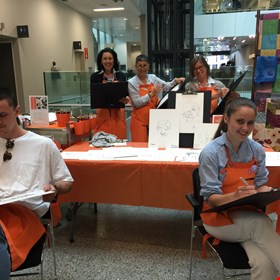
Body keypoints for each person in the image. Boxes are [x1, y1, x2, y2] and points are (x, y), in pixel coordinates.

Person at [199, 97, 280, 280]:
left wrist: (269, 192)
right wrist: (234, 196)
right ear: (226, 119)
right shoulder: (211, 153)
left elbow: (260, 184)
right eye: (240, 121)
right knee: (260, 223)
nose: (245, 128)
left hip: (246, 215)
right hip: (217, 219)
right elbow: (210, 198)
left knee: (263, 262)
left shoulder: (257, 151)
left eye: (250, 123)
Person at [0, 87, 73, 278]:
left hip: (26, 211)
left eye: (2, 115)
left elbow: (66, 181)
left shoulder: (42, 144)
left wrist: (55, 188)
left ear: (17, 111)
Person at [128, 54, 185, 142]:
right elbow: (136, 103)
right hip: (138, 122)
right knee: (140, 149)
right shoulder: (131, 82)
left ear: (148, 66)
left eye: (144, 65)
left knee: (153, 147)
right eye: (139, 65)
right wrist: (151, 94)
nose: (142, 68)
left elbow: (166, 86)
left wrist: (175, 81)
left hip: (154, 120)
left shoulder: (153, 78)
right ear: (136, 67)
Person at [90, 48, 129, 140]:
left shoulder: (121, 75)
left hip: (118, 117)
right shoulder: (95, 77)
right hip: (102, 118)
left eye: (110, 58)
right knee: (102, 145)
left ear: (114, 60)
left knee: (119, 145)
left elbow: (125, 95)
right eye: (105, 58)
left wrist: (126, 99)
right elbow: (94, 96)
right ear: (101, 61)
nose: (108, 61)